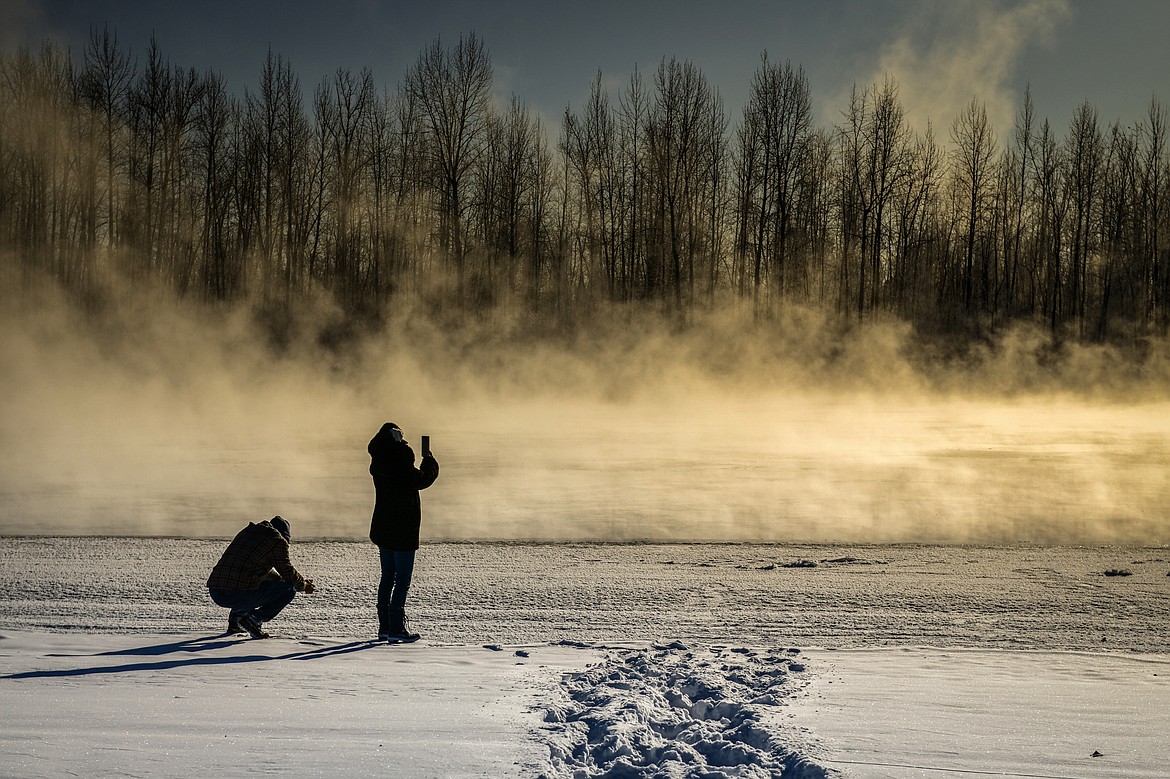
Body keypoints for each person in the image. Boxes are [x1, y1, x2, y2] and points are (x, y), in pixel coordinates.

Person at [368, 422, 439, 641]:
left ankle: (384, 626)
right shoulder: (401, 462)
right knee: (402, 580)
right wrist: (430, 462)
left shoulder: (379, 462)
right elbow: (423, 479)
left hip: (384, 528)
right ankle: (396, 628)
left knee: (387, 577)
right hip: (403, 529)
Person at [206, 516, 315, 639]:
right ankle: (254, 619)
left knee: (248, 581)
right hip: (236, 593)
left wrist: (280, 579)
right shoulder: (277, 540)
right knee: (289, 589)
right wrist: (304, 585)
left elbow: (254, 569)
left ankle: (236, 621)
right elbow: (287, 572)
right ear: (285, 536)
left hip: (216, 592)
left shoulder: (248, 534)